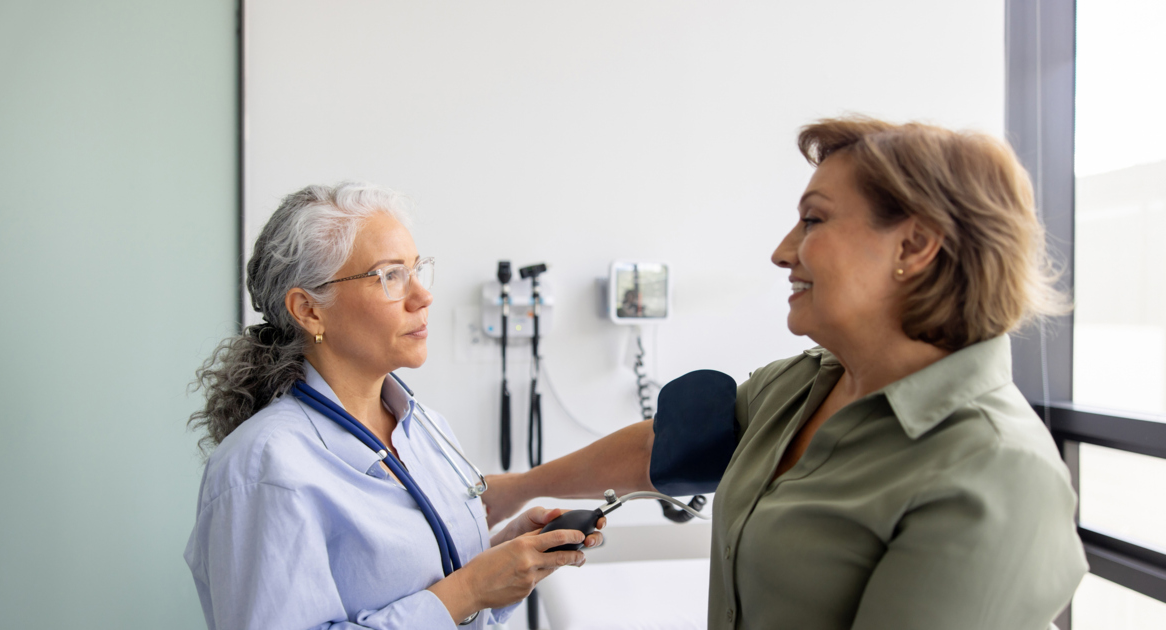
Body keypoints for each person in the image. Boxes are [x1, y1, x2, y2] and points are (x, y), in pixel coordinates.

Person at [481, 117, 1088, 629]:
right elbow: (666, 448)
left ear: (915, 246)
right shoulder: (807, 384)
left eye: (814, 220)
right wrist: (513, 488)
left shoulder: (997, 474)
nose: (782, 250)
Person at [183, 182, 603, 630]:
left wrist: (505, 566)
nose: (422, 296)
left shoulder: (424, 429)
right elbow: (453, 598)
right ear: (309, 310)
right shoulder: (262, 468)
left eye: (416, 270)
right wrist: (471, 589)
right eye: (390, 276)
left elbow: (438, 595)